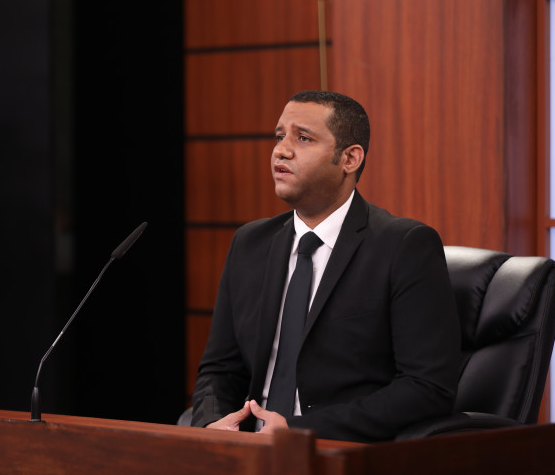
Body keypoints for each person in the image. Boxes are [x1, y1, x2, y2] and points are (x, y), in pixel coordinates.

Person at [191, 90, 461, 442]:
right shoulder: (250, 243)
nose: (281, 150)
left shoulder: (404, 246)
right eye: (279, 136)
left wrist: (299, 432)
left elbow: (428, 387)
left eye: (303, 138)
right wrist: (212, 424)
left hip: (338, 448)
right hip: (248, 449)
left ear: (349, 158)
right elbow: (220, 368)